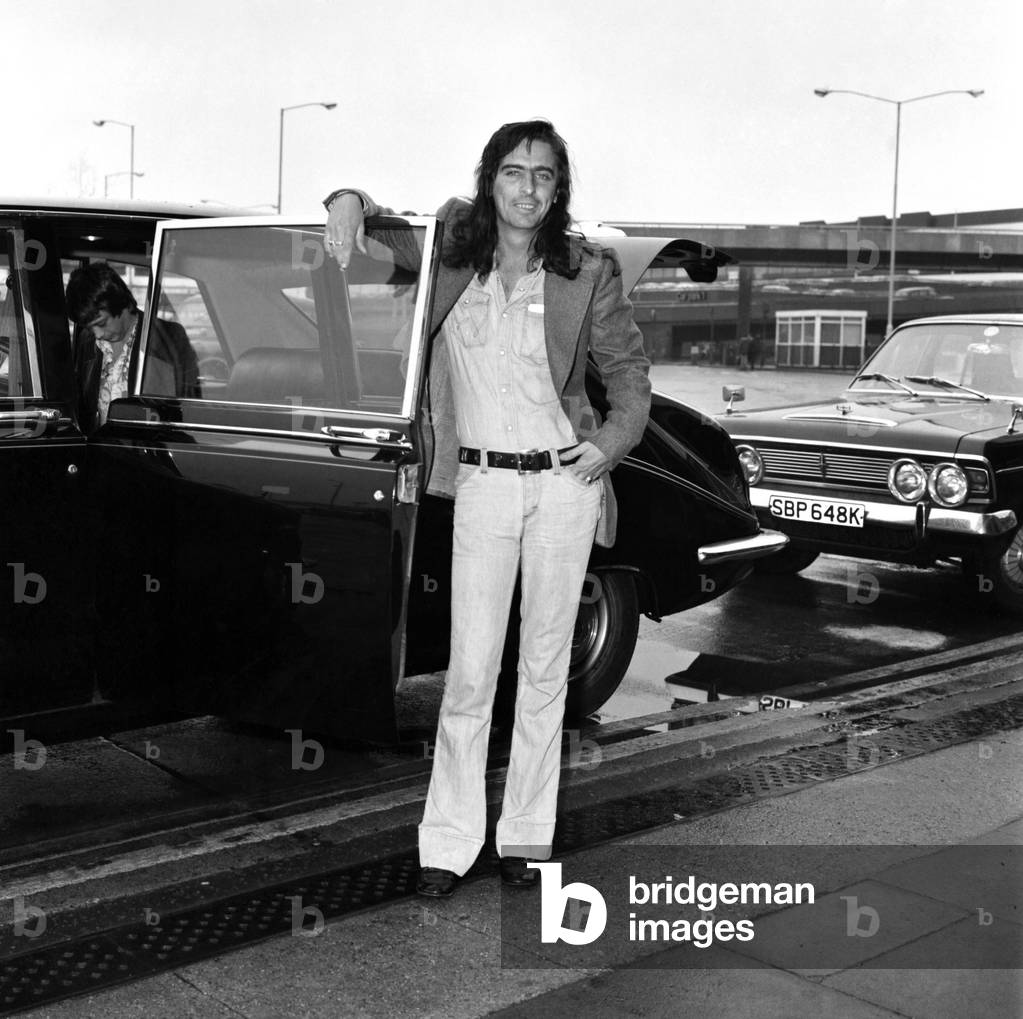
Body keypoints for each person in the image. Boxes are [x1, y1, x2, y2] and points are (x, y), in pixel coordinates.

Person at [324, 120, 651, 898]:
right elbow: (378, 227)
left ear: (557, 186)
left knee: (543, 673)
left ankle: (526, 839)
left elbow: (629, 378)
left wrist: (606, 446)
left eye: (543, 175)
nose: (528, 188)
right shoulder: (452, 247)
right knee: (469, 673)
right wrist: (346, 198)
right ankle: (447, 843)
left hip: (563, 486)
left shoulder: (585, 269)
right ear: (489, 179)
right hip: (481, 487)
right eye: (514, 172)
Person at [65, 262, 199, 431]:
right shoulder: (86, 340)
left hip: (151, 448)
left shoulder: (167, 337)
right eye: (90, 327)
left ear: (123, 305)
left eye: (102, 323)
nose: (97, 334)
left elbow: (186, 405)